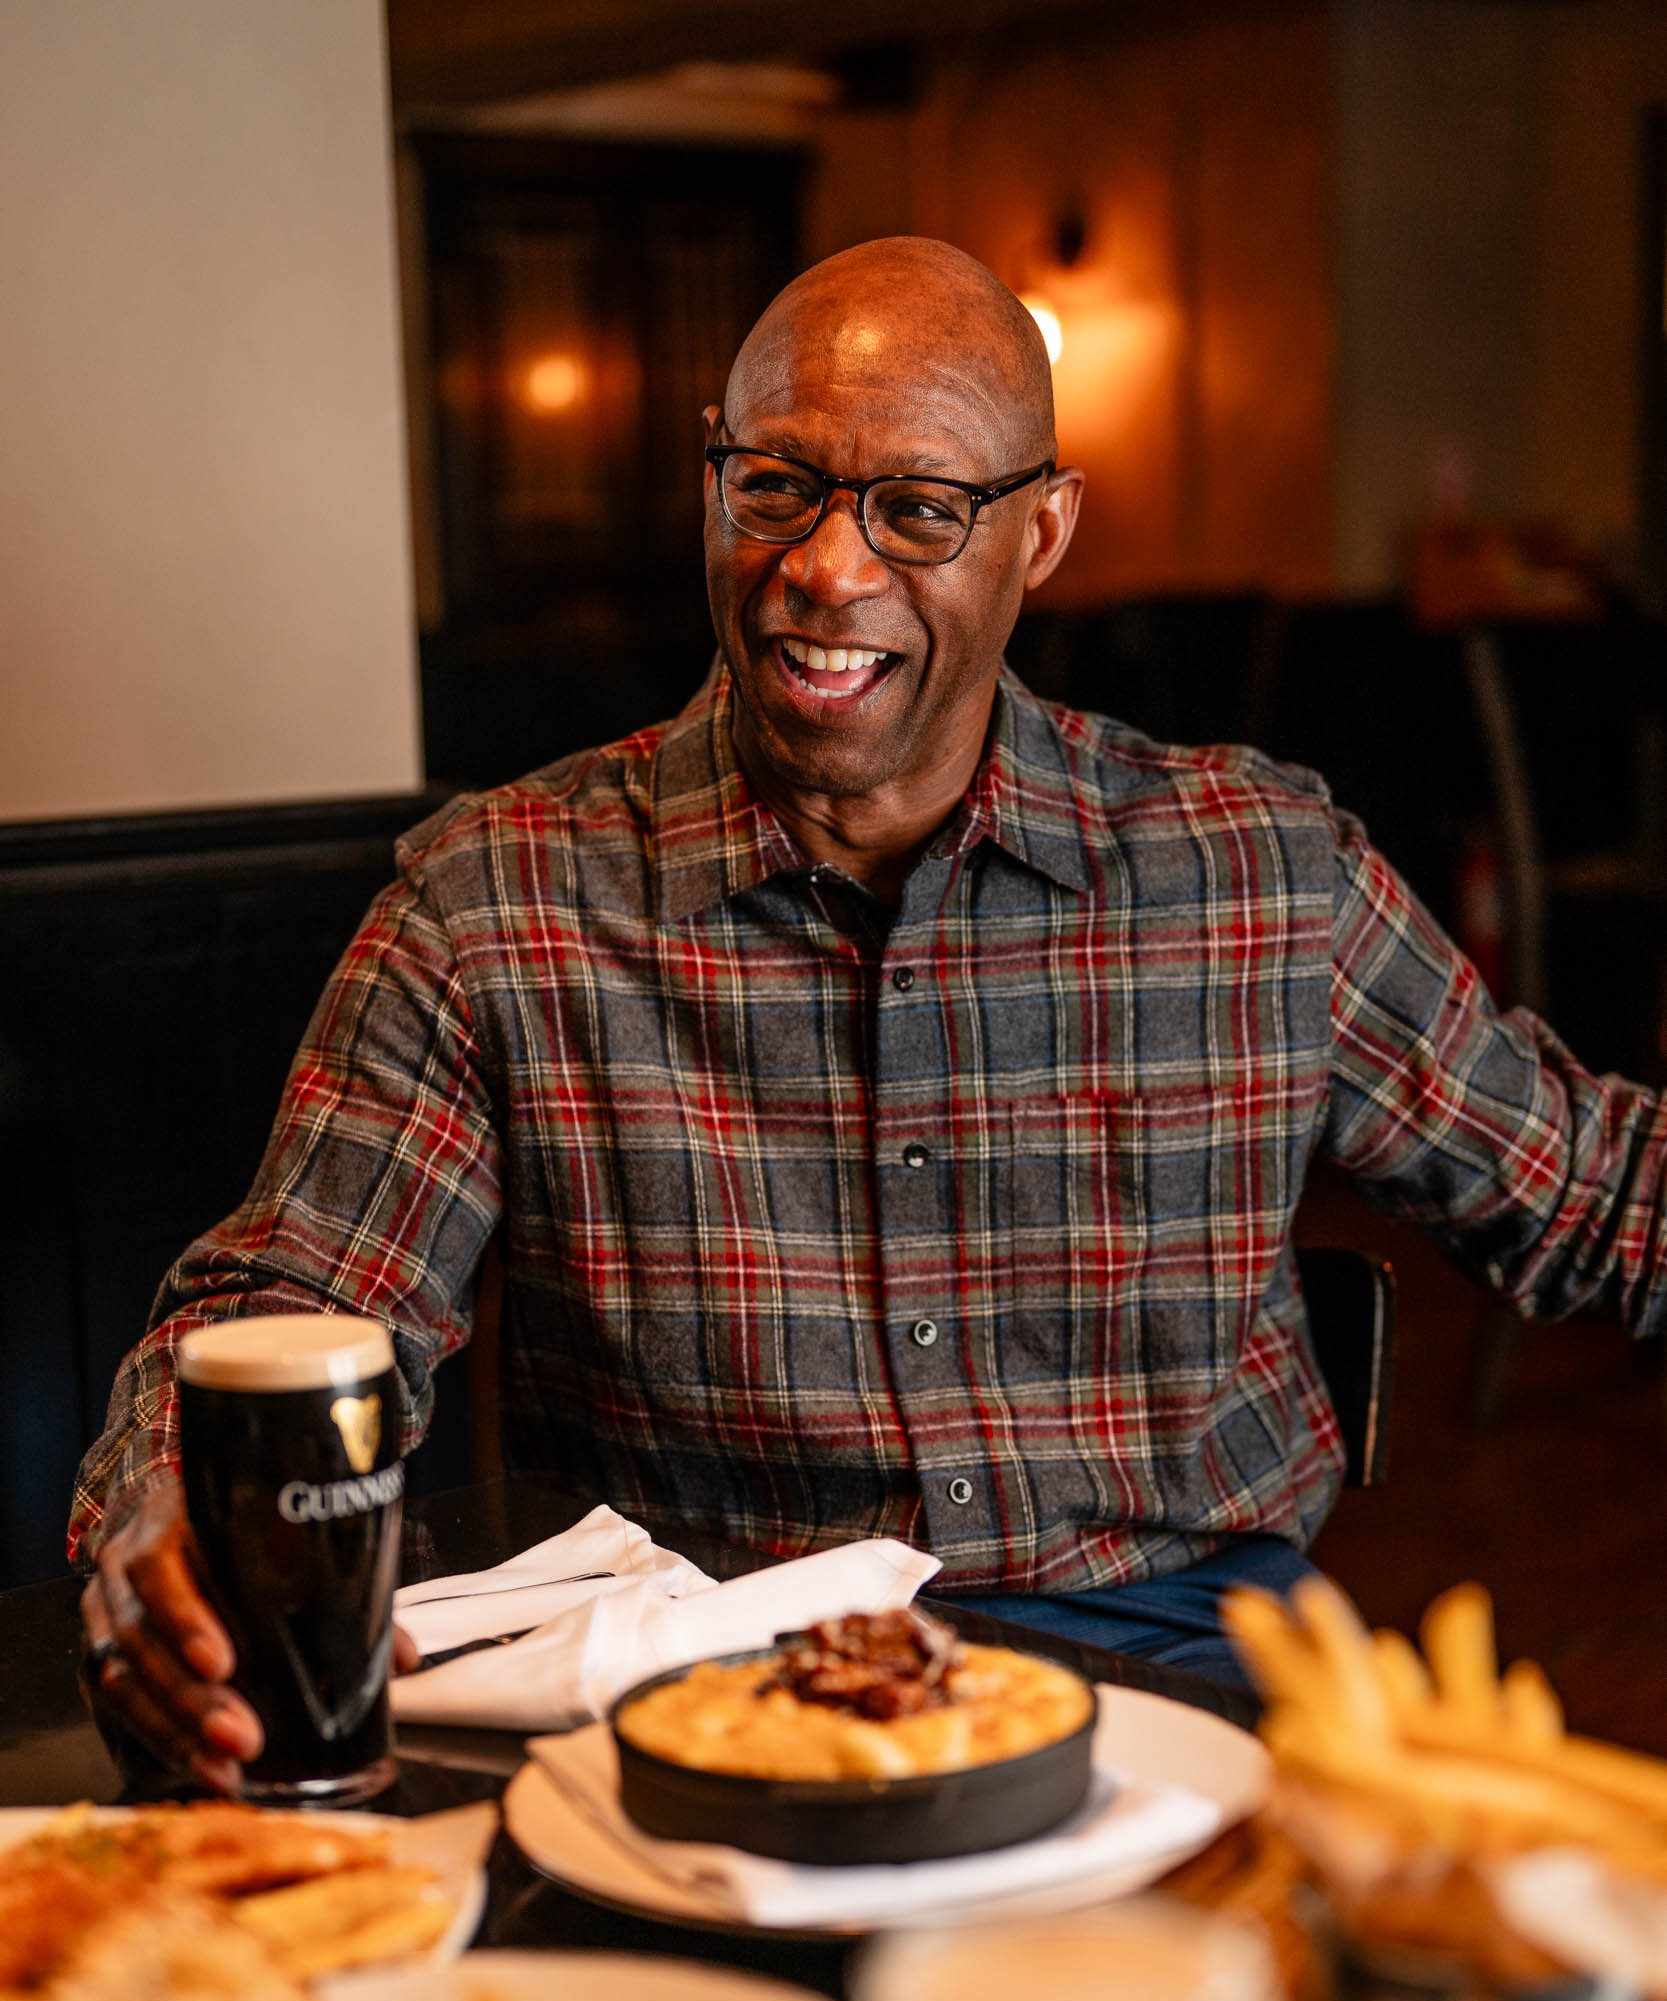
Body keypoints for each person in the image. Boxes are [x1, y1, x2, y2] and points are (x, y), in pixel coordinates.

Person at [75, 236, 1667, 1791]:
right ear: (712, 486)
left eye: (920, 509)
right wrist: (173, 1509)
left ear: (1040, 538)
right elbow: (289, 1297)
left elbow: (1595, 1198)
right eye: (776, 487)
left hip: (1191, 1664)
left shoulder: (1257, 872)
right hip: (712, 1707)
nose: (828, 569)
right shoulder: (498, 903)